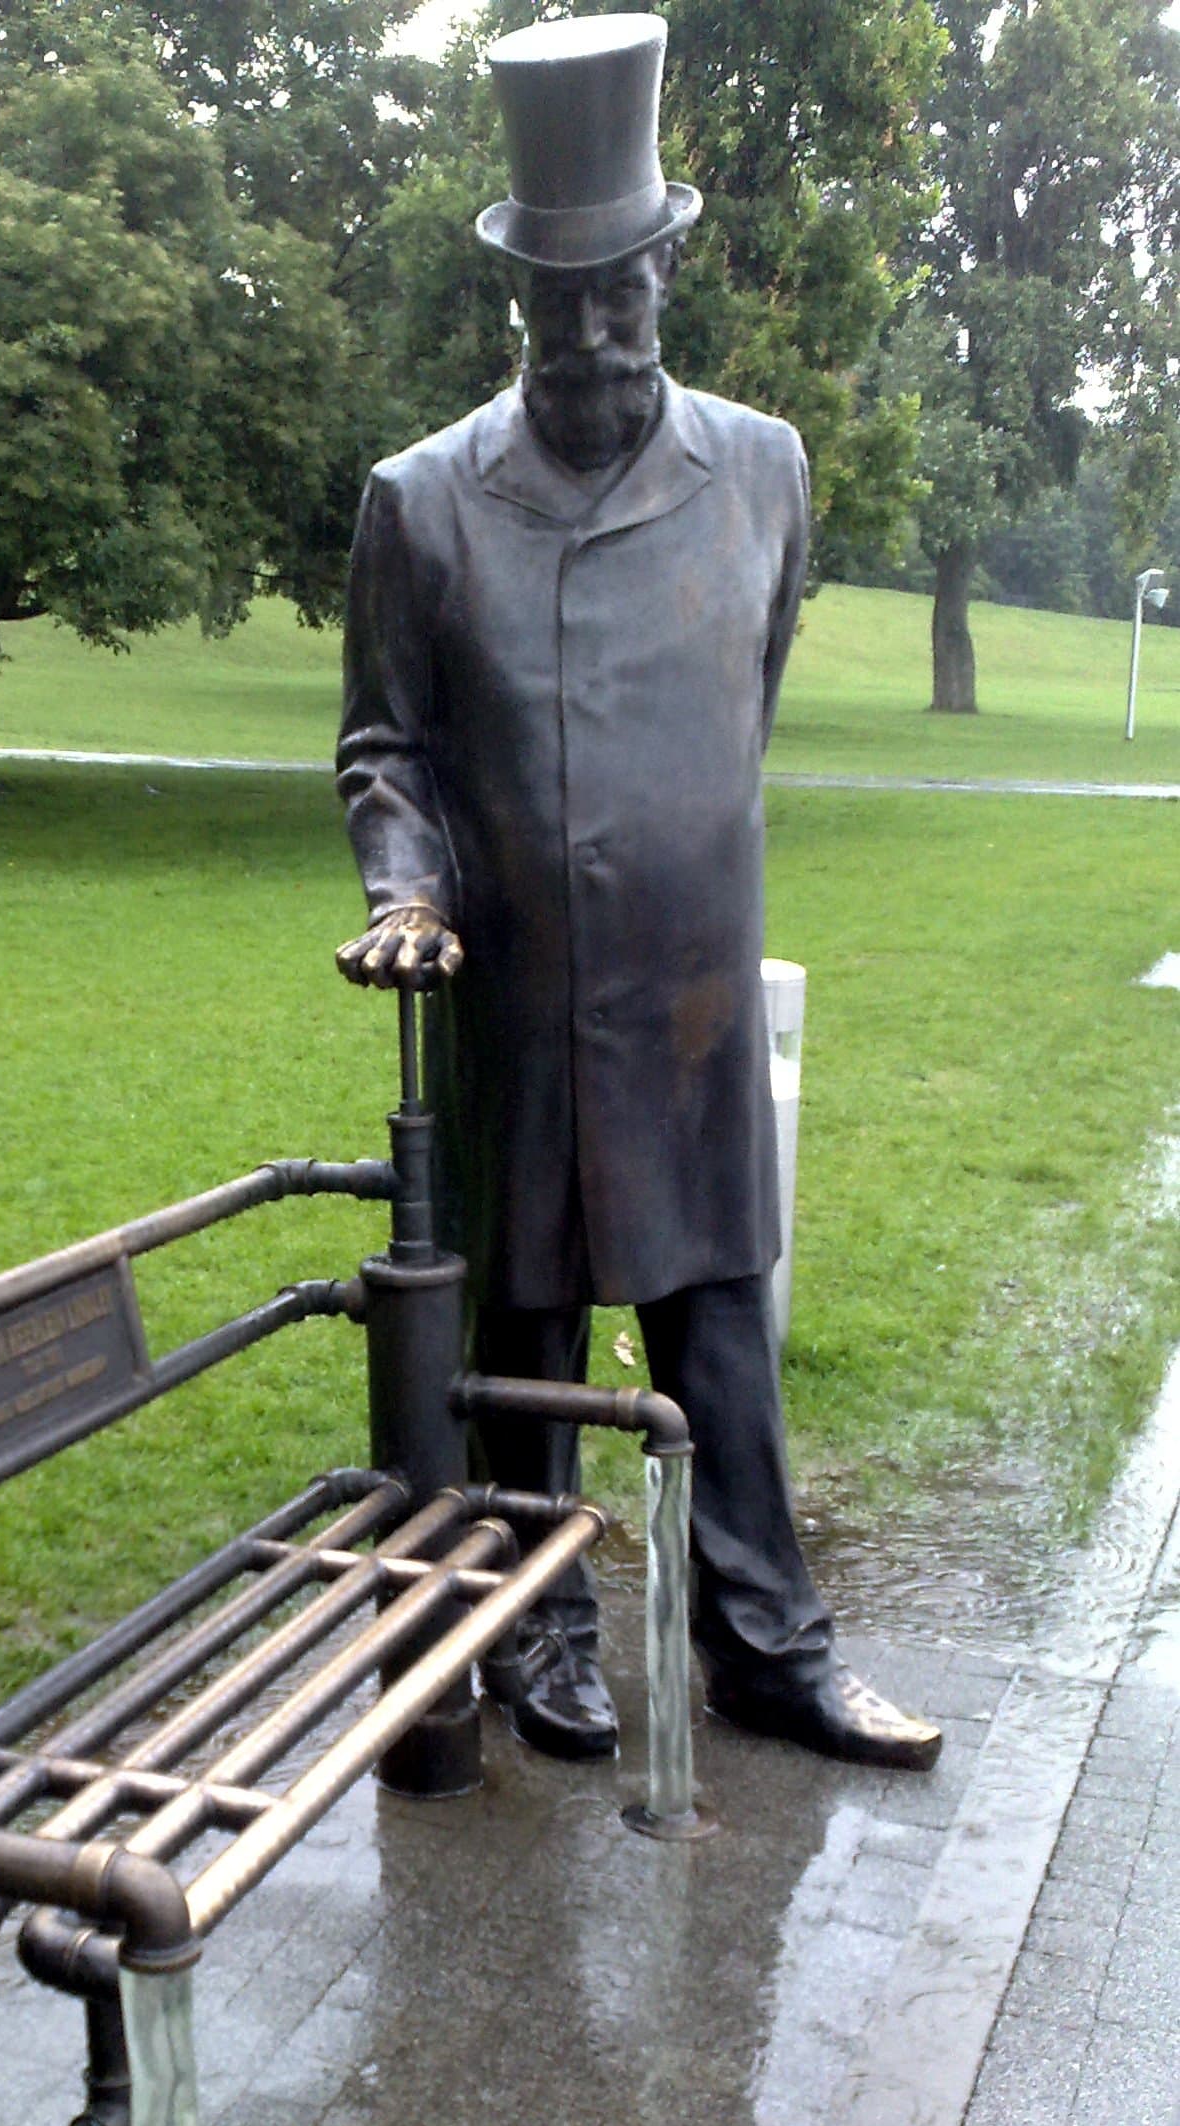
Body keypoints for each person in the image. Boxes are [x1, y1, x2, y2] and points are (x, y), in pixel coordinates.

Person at [335, 12, 936, 1771]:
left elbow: (739, 691)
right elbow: (387, 747)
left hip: (685, 996)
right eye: (559, 306)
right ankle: (540, 1628)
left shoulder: (763, 471)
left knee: (720, 1327)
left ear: (669, 277)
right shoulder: (423, 502)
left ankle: (771, 1642)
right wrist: (411, 885)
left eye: (625, 299)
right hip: (512, 991)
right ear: (515, 303)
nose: (594, 337)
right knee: (522, 1322)